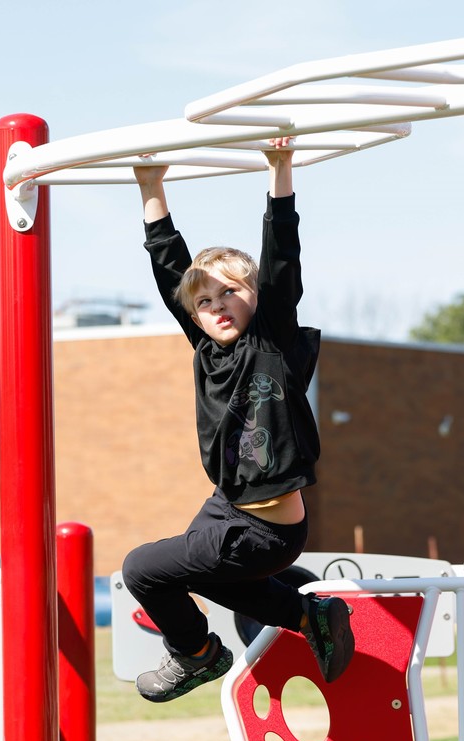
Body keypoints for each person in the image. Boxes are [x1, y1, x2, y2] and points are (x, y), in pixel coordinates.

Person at [121, 138, 355, 703]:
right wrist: (152, 188)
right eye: (205, 302)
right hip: (228, 506)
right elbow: (170, 269)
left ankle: (196, 653)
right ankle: (307, 616)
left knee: (142, 570)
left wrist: (280, 170)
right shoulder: (205, 349)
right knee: (187, 571)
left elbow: (280, 257)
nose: (217, 306)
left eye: (232, 292)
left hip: (267, 528)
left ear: (255, 297)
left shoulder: (269, 341)